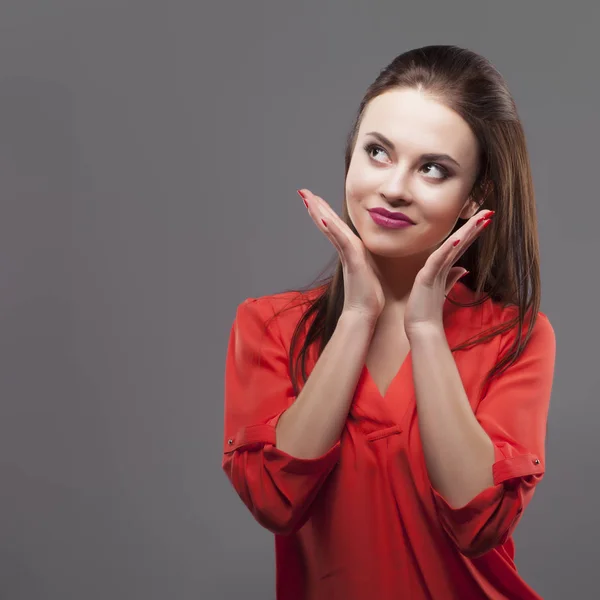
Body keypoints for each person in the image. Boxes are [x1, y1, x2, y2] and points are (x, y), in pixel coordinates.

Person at [222, 45, 556, 600]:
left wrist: (426, 331)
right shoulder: (268, 326)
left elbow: (480, 524)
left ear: (476, 198)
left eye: (432, 168)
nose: (395, 187)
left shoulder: (514, 337)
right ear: (351, 155)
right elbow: (274, 500)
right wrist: (357, 315)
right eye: (378, 152)